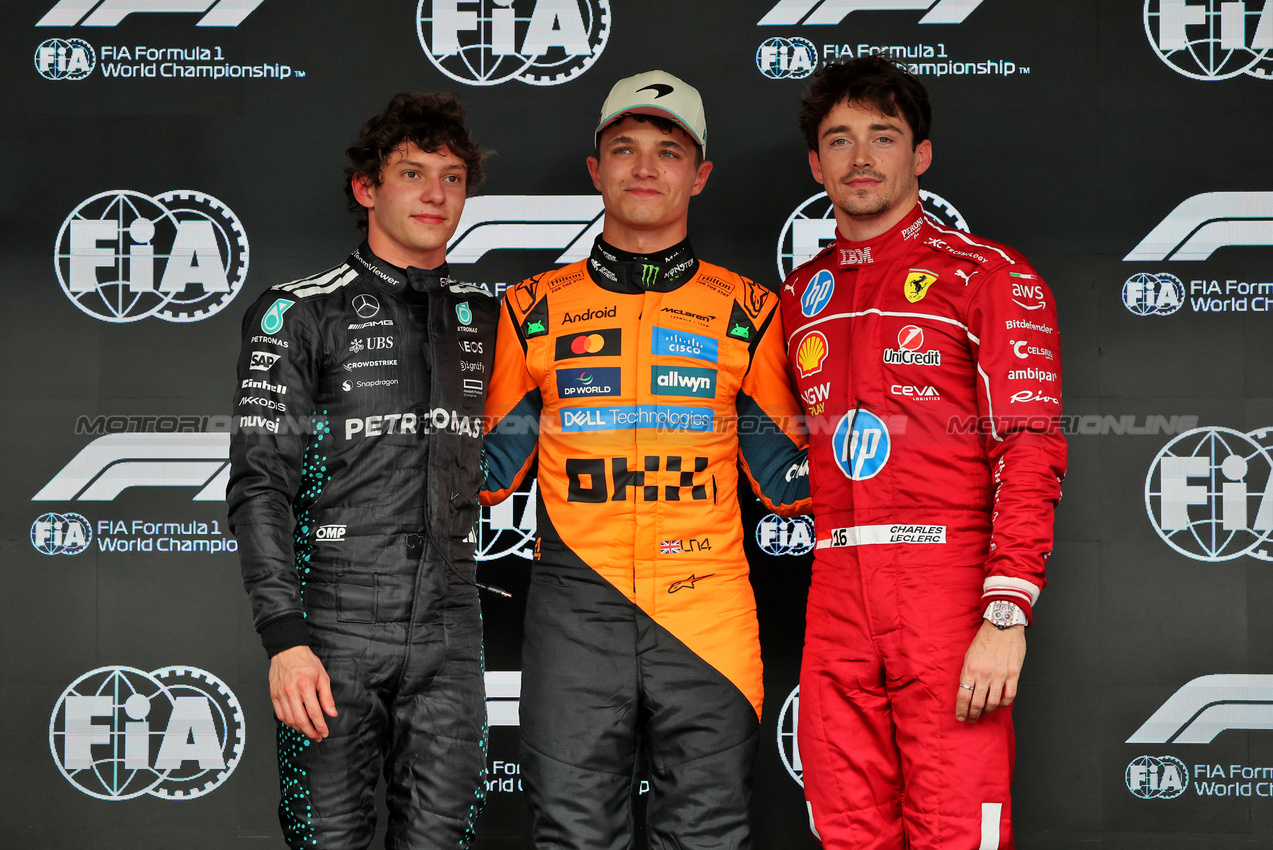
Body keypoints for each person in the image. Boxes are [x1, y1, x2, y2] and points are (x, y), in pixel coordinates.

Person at [480, 70, 810, 849]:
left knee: (707, 834)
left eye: (668, 152)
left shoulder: (750, 310)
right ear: (595, 170)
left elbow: (788, 477)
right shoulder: (529, 308)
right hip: (575, 610)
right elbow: (486, 472)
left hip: (707, 607)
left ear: (699, 175)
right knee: (572, 835)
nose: (643, 168)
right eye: (623, 148)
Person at [780, 57, 1067, 849]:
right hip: (835, 585)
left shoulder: (987, 276)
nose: (860, 156)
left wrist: (1004, 614)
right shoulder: (798, 296)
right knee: (845, 828)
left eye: (883, 135)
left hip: (947, 585)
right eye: (838, 139)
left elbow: (1029, 446)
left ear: (921, 154)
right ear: (815, 164)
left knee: (955, 826)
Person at [227, 92, 496, 850]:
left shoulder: (491, 318)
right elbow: (259, 485)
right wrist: (285, 639)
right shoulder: (300, 311)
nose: (435, 193)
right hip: (330, 627)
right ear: (366, 187)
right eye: (412, 173)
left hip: (452, 629)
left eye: (451, 177)